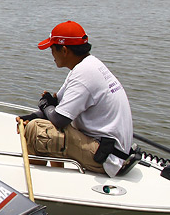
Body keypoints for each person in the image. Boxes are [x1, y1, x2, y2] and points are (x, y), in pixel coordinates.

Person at [17, 21, 134, 177]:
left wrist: (43, 109)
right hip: (109, 149)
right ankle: (55, 173)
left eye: (52, 49)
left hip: (107, 158)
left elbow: (59, 119)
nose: (51, 54)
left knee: (36, 130)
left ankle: (34, 179)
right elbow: (57, 104)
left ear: (64, 50)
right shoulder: (87, 65)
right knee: (36, 123)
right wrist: (30, 117)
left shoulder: (84, 74)